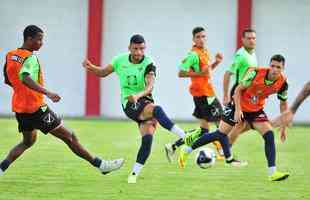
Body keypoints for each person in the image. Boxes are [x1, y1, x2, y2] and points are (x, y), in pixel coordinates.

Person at [0, 25, 124, 177]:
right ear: (29, 39)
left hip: (20, 109)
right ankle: (101, 165)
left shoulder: (11, 55)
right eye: (39, 39)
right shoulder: (30, 58)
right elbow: (25, 78)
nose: (41, 43)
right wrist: (48, 92)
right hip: (37, 109)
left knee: (28, 142)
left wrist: (21, 91)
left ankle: (1, 169)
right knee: (70, 137)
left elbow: (7, 79)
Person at [83, 34, 186, 184]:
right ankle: (185, 137)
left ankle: (133, 175)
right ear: (129, 48)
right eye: (135, 49)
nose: (138, 52)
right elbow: (103, 72)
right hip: (129, 103)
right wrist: (91, 67)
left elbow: (150, 86)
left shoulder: (149, 62)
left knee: (148, 140)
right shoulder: (120, 60)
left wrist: (138, 95)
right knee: (157, 110)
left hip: (142, 99)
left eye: (141, 49)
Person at [180, 55, 289, 181]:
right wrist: (238, 110)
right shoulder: (255, 73)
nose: (274, 69)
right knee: (220, 134)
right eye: (272, 66)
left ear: (283, 68)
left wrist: (283, 126)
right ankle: (187, 149)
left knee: (269, 135)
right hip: (237, 105)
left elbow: (283, 104)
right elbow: (237, 90)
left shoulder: (283, 83)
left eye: (278, 67)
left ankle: (272, 173)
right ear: (269, 65)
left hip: (256, 110)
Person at [164, 26, 224, 162]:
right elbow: (180, 73)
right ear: (193, 39)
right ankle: (224, 152)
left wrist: (216, 63)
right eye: (198, 37)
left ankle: (173, 146)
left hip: (204, 93)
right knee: (222, 123)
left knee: (203, 131)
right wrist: (199, 74)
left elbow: (206, 72)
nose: (201, 39)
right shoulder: (193, 55)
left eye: (203, 36)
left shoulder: (205, 52)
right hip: (204, 94)